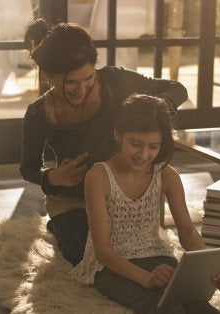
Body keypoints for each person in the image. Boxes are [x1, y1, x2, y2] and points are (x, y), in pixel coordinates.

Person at [20, 19, 188, 266]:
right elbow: (28, 168)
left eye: (88, 78)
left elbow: (177, 88)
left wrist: (149, 111)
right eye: (71, 83)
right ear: (48, 75)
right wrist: (54, 177)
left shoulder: (114, 80)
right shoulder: (38, 114)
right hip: (72, 198)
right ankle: (60, 224)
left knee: (130, 250)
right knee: (84, 256)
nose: (82, 89)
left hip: (120, 194)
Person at [71, 94, 220, 313]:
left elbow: (187, 231)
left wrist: (210, 271)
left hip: (157, 255)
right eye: (135, 144)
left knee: (198, 304)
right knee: (163, 308)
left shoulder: (167, 175)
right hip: (109, 266)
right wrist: (145, 278)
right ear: (118, 134)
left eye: (153, 147)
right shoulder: (99, 177)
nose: (144, 155)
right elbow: (103, 251)